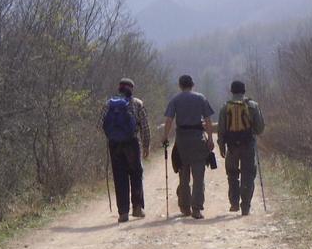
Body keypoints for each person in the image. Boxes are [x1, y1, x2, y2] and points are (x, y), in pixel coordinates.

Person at [162, 75, 215, 219]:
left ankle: (185, 207)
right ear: (193, 84)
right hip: (198, 140)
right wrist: (210, 139)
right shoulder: (201, 98)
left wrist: (165, 137)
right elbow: (208, 120)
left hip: (182, 142)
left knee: (184, 176)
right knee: (198, 177)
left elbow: (169, 120)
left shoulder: (175, 100)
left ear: (180, 85)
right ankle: (196, 208)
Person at [99, 78, 151, 223]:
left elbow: (99, 125)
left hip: (114, 145)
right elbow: (145, 127)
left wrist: (112, 135)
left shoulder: (109, 104)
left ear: (119, 88)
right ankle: (137, 208)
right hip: (132, 143)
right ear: (131, 89)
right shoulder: (137, 103)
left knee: (119, 177)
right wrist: (146, 145)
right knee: (136, 174)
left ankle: (123, 213)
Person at [217, 80, 265, 216]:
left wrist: (221, 145)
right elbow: (260, 128)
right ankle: (245, 206)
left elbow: (221, 129)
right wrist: (252, 131)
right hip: (248, 145)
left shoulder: (225, 107)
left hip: (232, 146)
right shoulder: (253, 105)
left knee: (232, 174)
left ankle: (234, 202)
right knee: (248, 174)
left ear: (231, 91)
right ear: (244, 91)